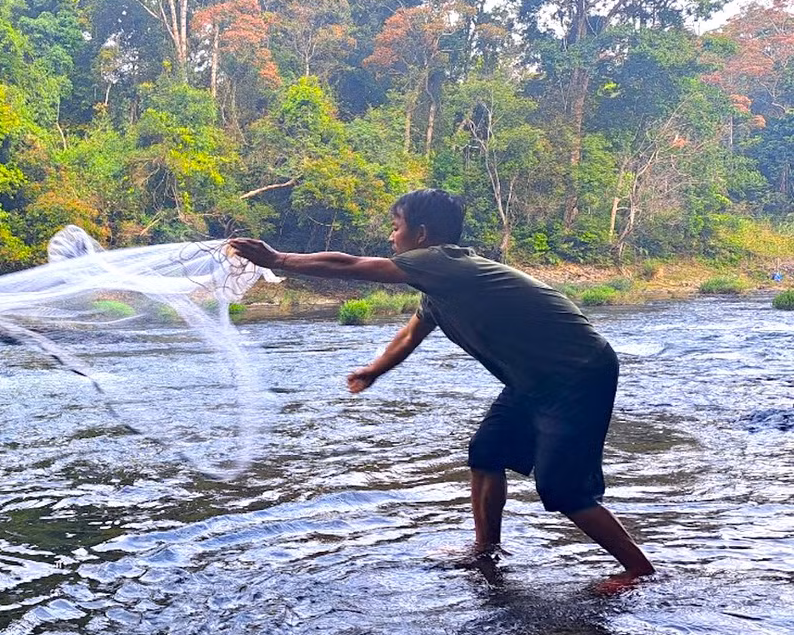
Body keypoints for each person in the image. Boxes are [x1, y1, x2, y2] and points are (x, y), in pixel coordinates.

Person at [229, 188, 654, 590]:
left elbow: (352, 267)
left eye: (395, 226)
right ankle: (485, 549)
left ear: (422, 234)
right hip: (535, 378)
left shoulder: (443, 263)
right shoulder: (439, 285)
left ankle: (638, 570)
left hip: (577, 372)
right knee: (486, 452)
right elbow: (412, 333)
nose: (390, 235)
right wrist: (375, 370)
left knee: (562, 489)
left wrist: (280, 259)